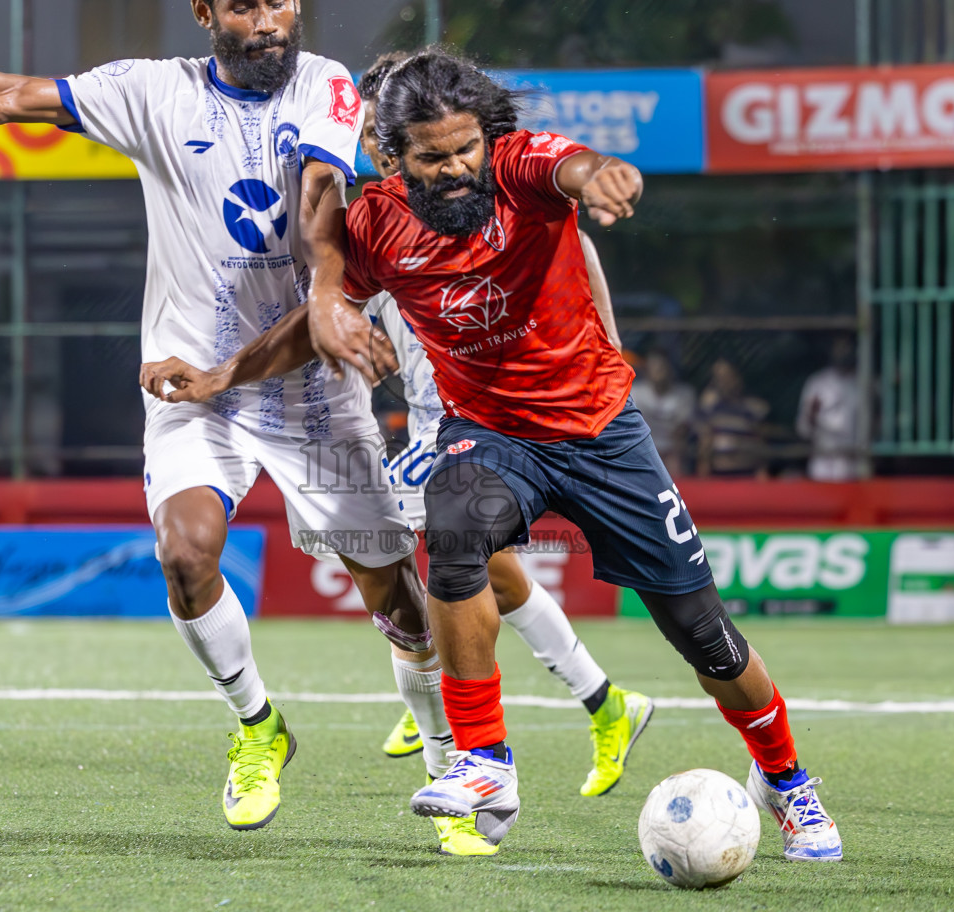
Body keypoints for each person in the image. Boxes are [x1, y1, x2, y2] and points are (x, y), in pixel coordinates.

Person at [0, 0, 446, 836]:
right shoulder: (153, 94)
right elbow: (9, 95)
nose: (269, 22)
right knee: (185, 554)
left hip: (307, 376)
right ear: (203, 11)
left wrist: (331, 295)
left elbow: (320, 197)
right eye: (244, 6)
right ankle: (258, 727)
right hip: (192, 380)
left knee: (391, 590)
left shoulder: (326, 84)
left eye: (281, 2)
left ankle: (442, 753)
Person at [163, 50, 842, 860]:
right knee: (450, 536)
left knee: (703, 633)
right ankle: (485, 759)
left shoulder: (521, 166)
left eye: (465, 149)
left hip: (600, 431)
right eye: (432, 156)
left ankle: (789, 780)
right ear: (392, 156)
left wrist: (602, 176)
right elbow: (312, 324)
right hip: (490, 434)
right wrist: (218, 378)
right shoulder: (376, 222)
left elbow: (573, 167)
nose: (455, 168)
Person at [355, 54, 652, 841]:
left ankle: (456, 754)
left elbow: (575, 260)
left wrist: (608, 363)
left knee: (414, 574)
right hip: (439, 416)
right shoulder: (377, 210)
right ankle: (596, 701)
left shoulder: (481, 194)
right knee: (474, 570)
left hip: (465, 419)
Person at [796, 335, 861, 482]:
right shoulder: (817, 382)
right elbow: (803, 430)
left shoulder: (864, 383)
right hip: (824, 463)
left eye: (847, 348)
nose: (843, 352)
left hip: (855, 463)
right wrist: (811, 415)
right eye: (839, 348)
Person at [695, 358, 770, 478]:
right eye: (718, 378)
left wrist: (762, 470)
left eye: (726, 376)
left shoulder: (753, 408)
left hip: (747, 473)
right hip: (719, 474)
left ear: (736, 377)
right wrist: (703, 471)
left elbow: (760, 442)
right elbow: (705, 441)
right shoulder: (709, 408)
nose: (722, 382)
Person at [630, 349, 695, 475]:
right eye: (654, 366)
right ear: (647, 369)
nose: (659, 371)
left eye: (662, 366)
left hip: (673, 451)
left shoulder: (685, 394)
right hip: (643, 449)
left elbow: (682, 429)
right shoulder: (635, 393)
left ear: (670, 369)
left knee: (676, 459)